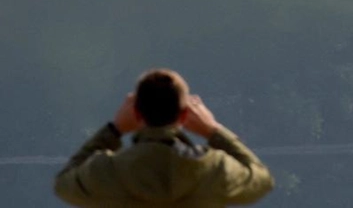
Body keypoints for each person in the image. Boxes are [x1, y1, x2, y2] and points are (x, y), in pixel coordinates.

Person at [54, 69, 274, 207]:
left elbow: (64, 183)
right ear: (185, 114)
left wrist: (113, 130)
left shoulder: (108, 171)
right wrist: (213, 130)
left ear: (137, 113)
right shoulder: (213, 169)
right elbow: (261, 180)